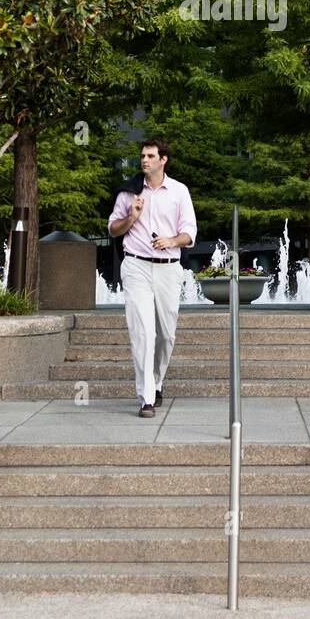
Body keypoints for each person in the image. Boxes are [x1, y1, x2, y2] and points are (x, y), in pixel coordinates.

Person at [107, 138, 197, 418]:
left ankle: (157, 382)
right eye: (142, 156)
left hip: (169, 268)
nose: (144, 160)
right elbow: (112, 229)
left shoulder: (179, 192)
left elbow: (190, 234)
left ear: (163, 160)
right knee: (143, 332)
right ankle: (146, 397)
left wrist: (170, 240)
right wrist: (131, 218)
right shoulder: (128, 194)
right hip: (136, 267)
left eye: (150, 156)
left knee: (166, 335)